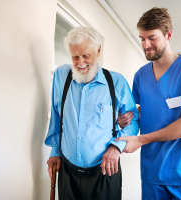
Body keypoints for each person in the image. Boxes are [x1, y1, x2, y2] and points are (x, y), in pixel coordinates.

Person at [116, 7, 181, 200]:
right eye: (142, 38)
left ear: (169, 35)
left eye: (152, 37)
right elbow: (148, 109)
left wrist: (140, 140)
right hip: (152, 172)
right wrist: (125, 118)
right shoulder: (141, 76)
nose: (146, 44)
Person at [44, 26, 139, 200]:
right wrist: (55, 150)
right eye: (75, 57)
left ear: (98, 50)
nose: (80, 63)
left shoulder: (116, 82)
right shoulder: (61, 76)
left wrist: (116, 147)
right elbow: (57, 117)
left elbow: (133, 122)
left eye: (86, 55)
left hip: (105, 172)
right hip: (68, 171)